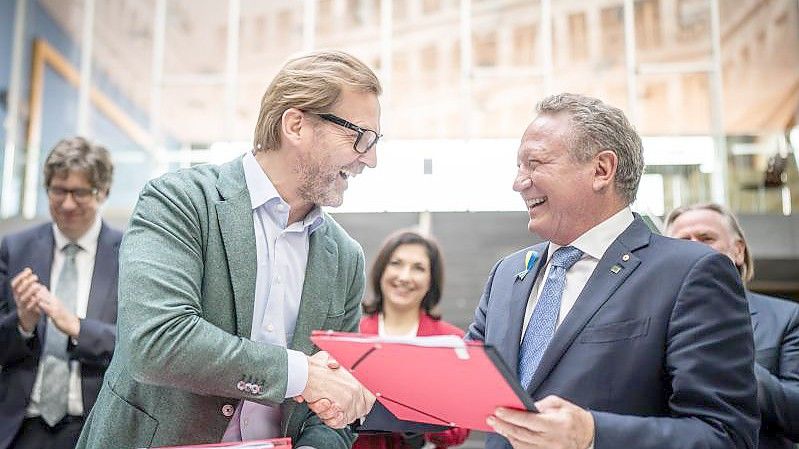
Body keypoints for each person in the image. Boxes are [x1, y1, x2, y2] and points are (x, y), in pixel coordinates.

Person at [75, 50, 381, 449]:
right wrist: (301, 373)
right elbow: (156, 341)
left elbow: (337, 402)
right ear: (296, 124)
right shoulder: (178, 201)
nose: (370, 159)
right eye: (360, 136)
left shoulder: (345, 257)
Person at [467, 93, 757, 449]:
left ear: (602, 170)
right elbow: (461, 385)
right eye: (519, 167)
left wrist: (591, 434)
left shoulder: (691, 273)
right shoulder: (507, 275)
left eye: (535, 163)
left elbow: (726, 435)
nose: (519, 182)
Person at [0, 136, 121, 449]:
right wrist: (23, 324)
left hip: (97, 426)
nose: (67, 204)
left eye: (79, 192)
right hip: (22, 427)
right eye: (58, 190)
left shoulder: (130, 253)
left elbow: (140, 343)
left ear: (103, 191)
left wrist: (79, 328)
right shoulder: (14, 249)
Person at [665, 202, 799, 449]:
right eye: (683, 240)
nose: (693, 246)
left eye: (706, 238)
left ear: (738, 250)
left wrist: (728, 364)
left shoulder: (788, 317)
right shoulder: (652, 319)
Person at [356, 230, 469, 449]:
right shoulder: (352, 335)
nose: (405, 276)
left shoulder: (451, 341)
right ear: (381, 270)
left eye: (418, 268)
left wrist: (412, 416)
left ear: (431, 280)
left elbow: (460, 429)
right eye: (396, 263)